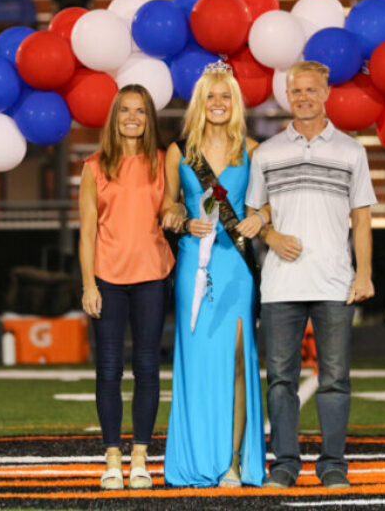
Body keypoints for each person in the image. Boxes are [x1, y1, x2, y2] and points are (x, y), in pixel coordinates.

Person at [246, 60, 377, 489]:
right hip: (280, 284)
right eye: (295, 91)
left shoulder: (351, 151)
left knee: (335, 379)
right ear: (288, 95)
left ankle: (333, 464)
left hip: (335, 282)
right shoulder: (266, 152)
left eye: (310, 90)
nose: (303, 97)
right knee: (279, 380)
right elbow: (252, 217)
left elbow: (361, 219)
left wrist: (364, 275)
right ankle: (284, 464)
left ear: (326, 94)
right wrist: (272, 235)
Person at [161, 60, 267, 487]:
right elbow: (168, 205)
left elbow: (270, 202)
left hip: (236, 267)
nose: (218, 104)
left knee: (239, 361)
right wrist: (182, 221)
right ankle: (196, 455)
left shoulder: (253, 151)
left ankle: (235, 461)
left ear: (235, 103)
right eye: (211, 97)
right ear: (200, 104)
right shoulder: (179, 150)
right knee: (199, 361)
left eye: (226, 96)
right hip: (194, 265)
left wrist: (260, 217)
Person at [79, 84, 175, 490]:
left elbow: (174, 207)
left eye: (140, 111)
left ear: (149, 118)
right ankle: (113, 458)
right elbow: (86, 233)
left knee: (149, 367)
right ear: (114, 117)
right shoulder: (94, 166)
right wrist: (89, 285)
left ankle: (140, 457)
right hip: (108, 280)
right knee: (109, 369)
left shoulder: (161, 161)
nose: (133, 117)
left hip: (153, 276)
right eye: (125, 111)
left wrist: (179, 210)